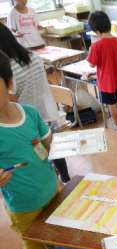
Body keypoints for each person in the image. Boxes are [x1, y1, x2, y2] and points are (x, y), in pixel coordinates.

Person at [0, 52, 57, 249]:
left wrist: (72, 144)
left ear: (9, 82)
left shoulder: (30, 112)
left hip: (52, 190)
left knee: (56, 232)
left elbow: (49, 145)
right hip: (24, 206)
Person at [0, 24, 70, 185]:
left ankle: (54, 180)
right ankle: (65, 178)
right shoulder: (32, 56)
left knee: (37, 157)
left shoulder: (9, 69)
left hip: (24, 121)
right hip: (45, 111)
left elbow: (10, 105)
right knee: (52, 148)